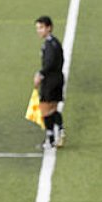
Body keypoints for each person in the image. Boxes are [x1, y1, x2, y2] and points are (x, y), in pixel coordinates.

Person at [34, 15, 66, 149]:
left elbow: (50, 63)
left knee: (45, 110)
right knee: (52, 109)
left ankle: (52, 137)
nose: (39, 31)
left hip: (51, 81)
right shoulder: (55, 43)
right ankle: (58, 133)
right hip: (58, 78)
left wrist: (40, 74)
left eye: (41, 28)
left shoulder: (49, 45)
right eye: (37, 28)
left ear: (49, 28)